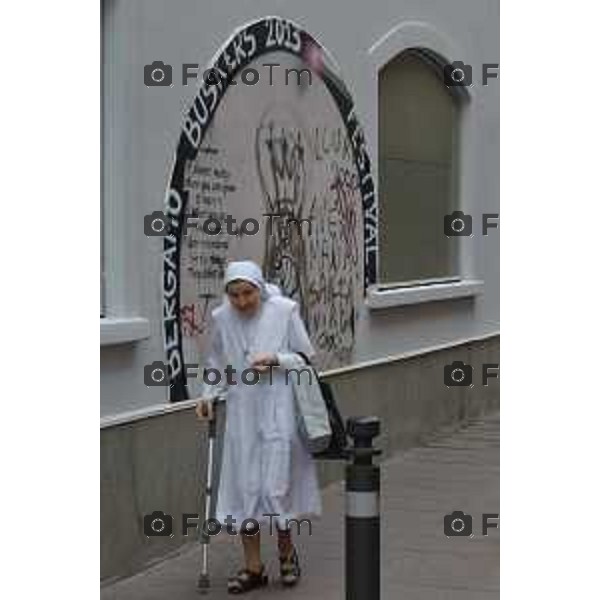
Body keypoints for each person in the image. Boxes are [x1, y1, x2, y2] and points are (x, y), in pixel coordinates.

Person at [195, 260, 322, 594]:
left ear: (260, 289)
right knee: (245, 488)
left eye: (248, 294)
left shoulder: (283, 311)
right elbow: (216, 363)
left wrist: (278, 360)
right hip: (242, 415)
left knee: (275, 487)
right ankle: (253, 567)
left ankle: (286, 553)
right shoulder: (223, 318)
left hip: (278, 410)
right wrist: (208, 395)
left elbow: (306, 357)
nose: (241, 302)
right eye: (234, 295)